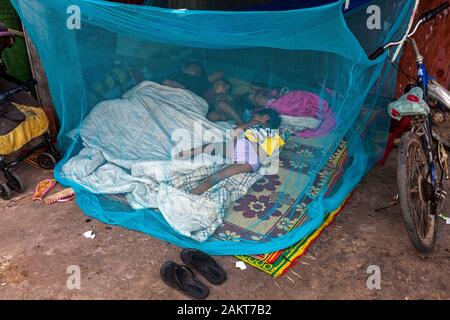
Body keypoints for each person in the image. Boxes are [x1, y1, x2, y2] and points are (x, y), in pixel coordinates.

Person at [175, 109, 282, 195]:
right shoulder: (253, 127)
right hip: (239, 147)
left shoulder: (274, 136)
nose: (252, 118)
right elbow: (234, 132)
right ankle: (184, 155)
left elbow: (265, 155)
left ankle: (193, 194)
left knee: (218, 176)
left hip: (250, 156)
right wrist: (251, 124)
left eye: (255, 116)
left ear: (266, 117)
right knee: (208, 147)